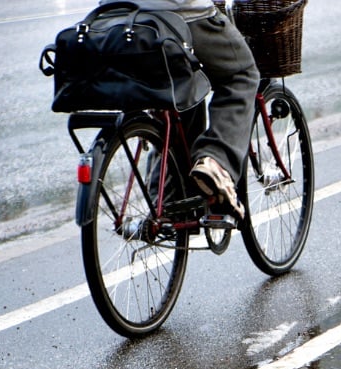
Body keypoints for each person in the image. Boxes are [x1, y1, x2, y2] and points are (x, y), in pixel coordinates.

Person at [101, 0, 259, 220]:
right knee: (241, 74)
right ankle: (216, 162)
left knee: (179, 90)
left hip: (112, 23)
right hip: (177, 17)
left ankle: (168, 201)